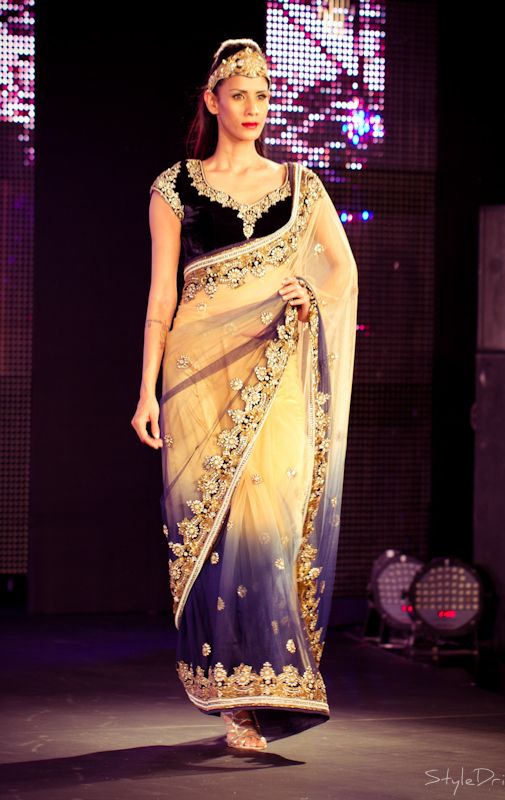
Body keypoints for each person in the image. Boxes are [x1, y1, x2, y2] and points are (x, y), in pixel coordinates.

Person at [131, 37, 359, 751]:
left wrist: (305, 294)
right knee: (211, 531)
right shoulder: (174, 187)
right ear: (212, 101)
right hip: (196, 372)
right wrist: (145, 390)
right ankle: (234, 703)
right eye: (239, 95)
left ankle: (268, 686)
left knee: (270, 526)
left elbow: (341, 276)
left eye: (262, 95)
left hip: (275, 371)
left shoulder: (301, 186)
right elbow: (161, 296)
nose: (253, 108)